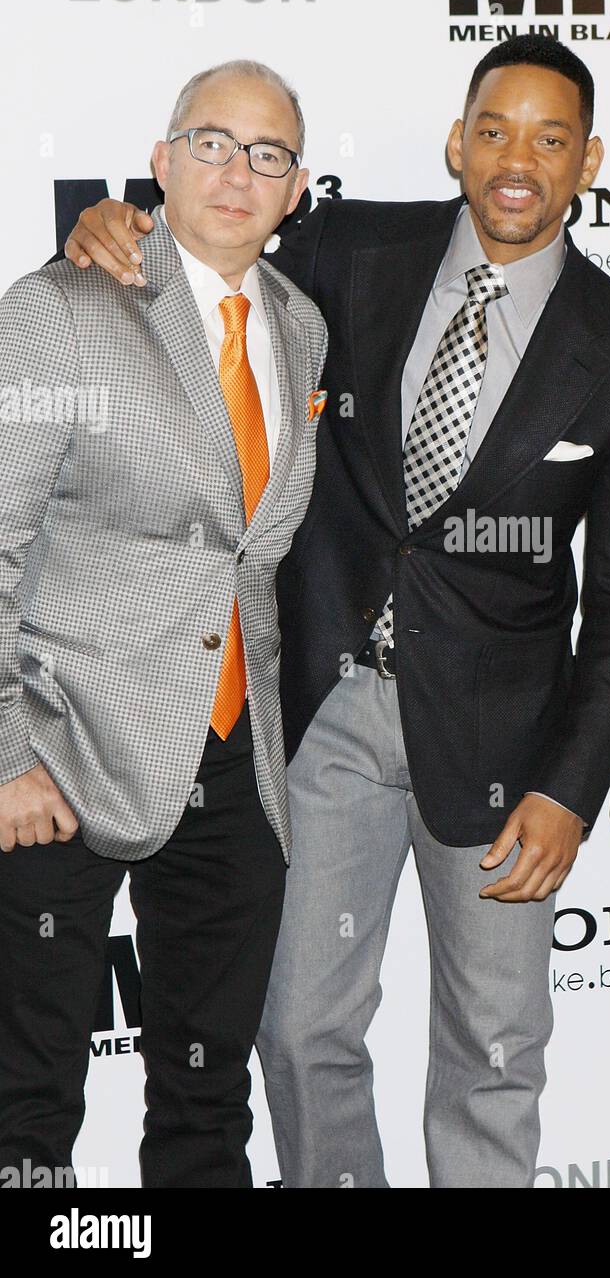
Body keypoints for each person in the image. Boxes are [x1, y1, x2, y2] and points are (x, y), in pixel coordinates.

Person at [66, 35, 610, 1187]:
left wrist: (569, 786)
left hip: (507, 754)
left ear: (588, 160)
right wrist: (117, 225)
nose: (518, 159)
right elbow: (214, 238)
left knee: (494, 1053)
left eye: (551, 139)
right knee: (300, 1030)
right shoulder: (349, 248)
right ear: (458, 142)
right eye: (495, 130)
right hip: (323, 715)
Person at [0, 59, 327, 1187]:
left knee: (206, 1094)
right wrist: (5, 761)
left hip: (235, 765)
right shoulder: (59, 311)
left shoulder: (300, 327)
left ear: (297, 191)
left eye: (269, 155)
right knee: (28, 1106)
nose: (238, 173)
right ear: (160, 161)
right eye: (211, 143)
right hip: (65, 752)